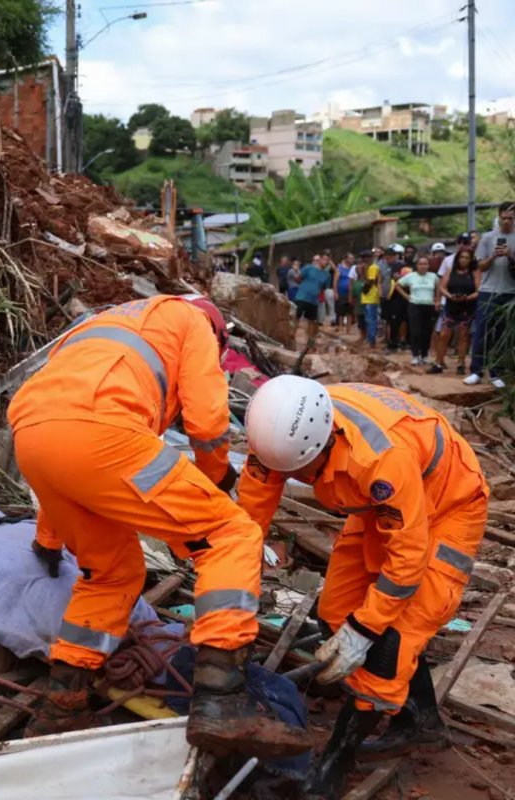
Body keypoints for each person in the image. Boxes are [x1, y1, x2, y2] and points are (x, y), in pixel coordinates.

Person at [7, 294, 310, 757]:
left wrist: (48, 539)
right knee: (231, 535)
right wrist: (216, 480)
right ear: (219, 334)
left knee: (110, 574)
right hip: (105, 433)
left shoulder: (104, 323)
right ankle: (221, 698)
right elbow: (207, 423)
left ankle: (62, 703)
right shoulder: (194, 322)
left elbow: (63, 440)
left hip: (31, 434)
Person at [239, 377, 488, 798]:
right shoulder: (274, 438)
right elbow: (249, 520)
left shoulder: (379, 460)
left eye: (300, 473)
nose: (292, 479)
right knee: (336, 612)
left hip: (448, 502)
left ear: (324, 445)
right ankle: (421, 720)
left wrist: (366, 630)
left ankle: (337, 762)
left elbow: (407, 561)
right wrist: (235, 600)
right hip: (382, 507)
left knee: (391, 642)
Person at [464, 202, 515, 388]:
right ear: (499, 216)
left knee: (502, 335)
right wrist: (493, 256)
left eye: (511, 218)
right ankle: (476, 371)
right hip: (487, 290)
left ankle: (497, 373)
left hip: (509, 292)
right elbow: (480, 266)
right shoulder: (488, 238)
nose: (507, 221)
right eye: (504, 218)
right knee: (481, 331)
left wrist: (510, 255)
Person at [429, 246, 480, 375]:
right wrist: (450, 296)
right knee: (444, 335)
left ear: (471, 259)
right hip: (451, 306)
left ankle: (461, 363)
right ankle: (438, 362)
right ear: (457, 258)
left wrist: (467, 297)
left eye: (467, 258)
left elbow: (479, 290)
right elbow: (442, 287)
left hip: (467, 307)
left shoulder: (474, 272)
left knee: (463, 335)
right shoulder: (451, 271)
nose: (464, 260)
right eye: (462, 257)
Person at [395, 256, 438, 366]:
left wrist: (437, 300)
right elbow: (398, 285)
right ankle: (415, 354)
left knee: (427, 331)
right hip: (414, 305)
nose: (423, 266)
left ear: (428, 266)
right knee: (415, 331)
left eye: (425, 264)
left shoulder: (433, 276)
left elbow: (438, 288)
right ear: (417, 265)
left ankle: (424, 355)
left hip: (429, 305)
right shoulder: (411, 276)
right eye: (420, 264)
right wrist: (407, 296)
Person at [293, 255, 330, 342]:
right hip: (301, 297)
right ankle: (291, 337)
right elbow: (297, 278)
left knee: (312, 322)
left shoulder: (327, 275)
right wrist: (304, 287)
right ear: (320, 260)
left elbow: (324, 287)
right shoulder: (309, 268)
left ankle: (309, 343)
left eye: (328, 260)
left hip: (314, 301)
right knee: (296, 318)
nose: (326, 262)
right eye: (324, 259)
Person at [382, 245, 406, 352]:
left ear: (396, 256)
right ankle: (389, 340)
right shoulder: (382, 266)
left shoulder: (401, 265)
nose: (389, 260)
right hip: (386, 296)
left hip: (398, 296)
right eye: (387, 258)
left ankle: (397, 342)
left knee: (398, 320)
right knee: (388, 320)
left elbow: (400, 278)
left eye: (391, 258)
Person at [359, 250, 382, 348]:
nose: (365, 259)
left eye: (367, 257)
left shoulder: (373, 267)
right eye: (364, 257)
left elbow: (369, 282)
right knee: (368, 319)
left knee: (371, 320)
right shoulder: (368, 267)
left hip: (371, 296)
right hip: (367, 297)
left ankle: (371, 341)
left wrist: (363, 272)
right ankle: (370, 340)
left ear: (371, 258)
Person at [336, 253, 356, 333]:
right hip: (341, 292)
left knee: (350, 312)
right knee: (341, 312)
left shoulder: (353, 268)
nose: (352, 260)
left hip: (350, 292)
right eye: (351, 258)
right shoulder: (340, 268)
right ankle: (340, 328)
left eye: (353, 258)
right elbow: (335, 281)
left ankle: (348, 329)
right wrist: (335, 292)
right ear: (346, 259)